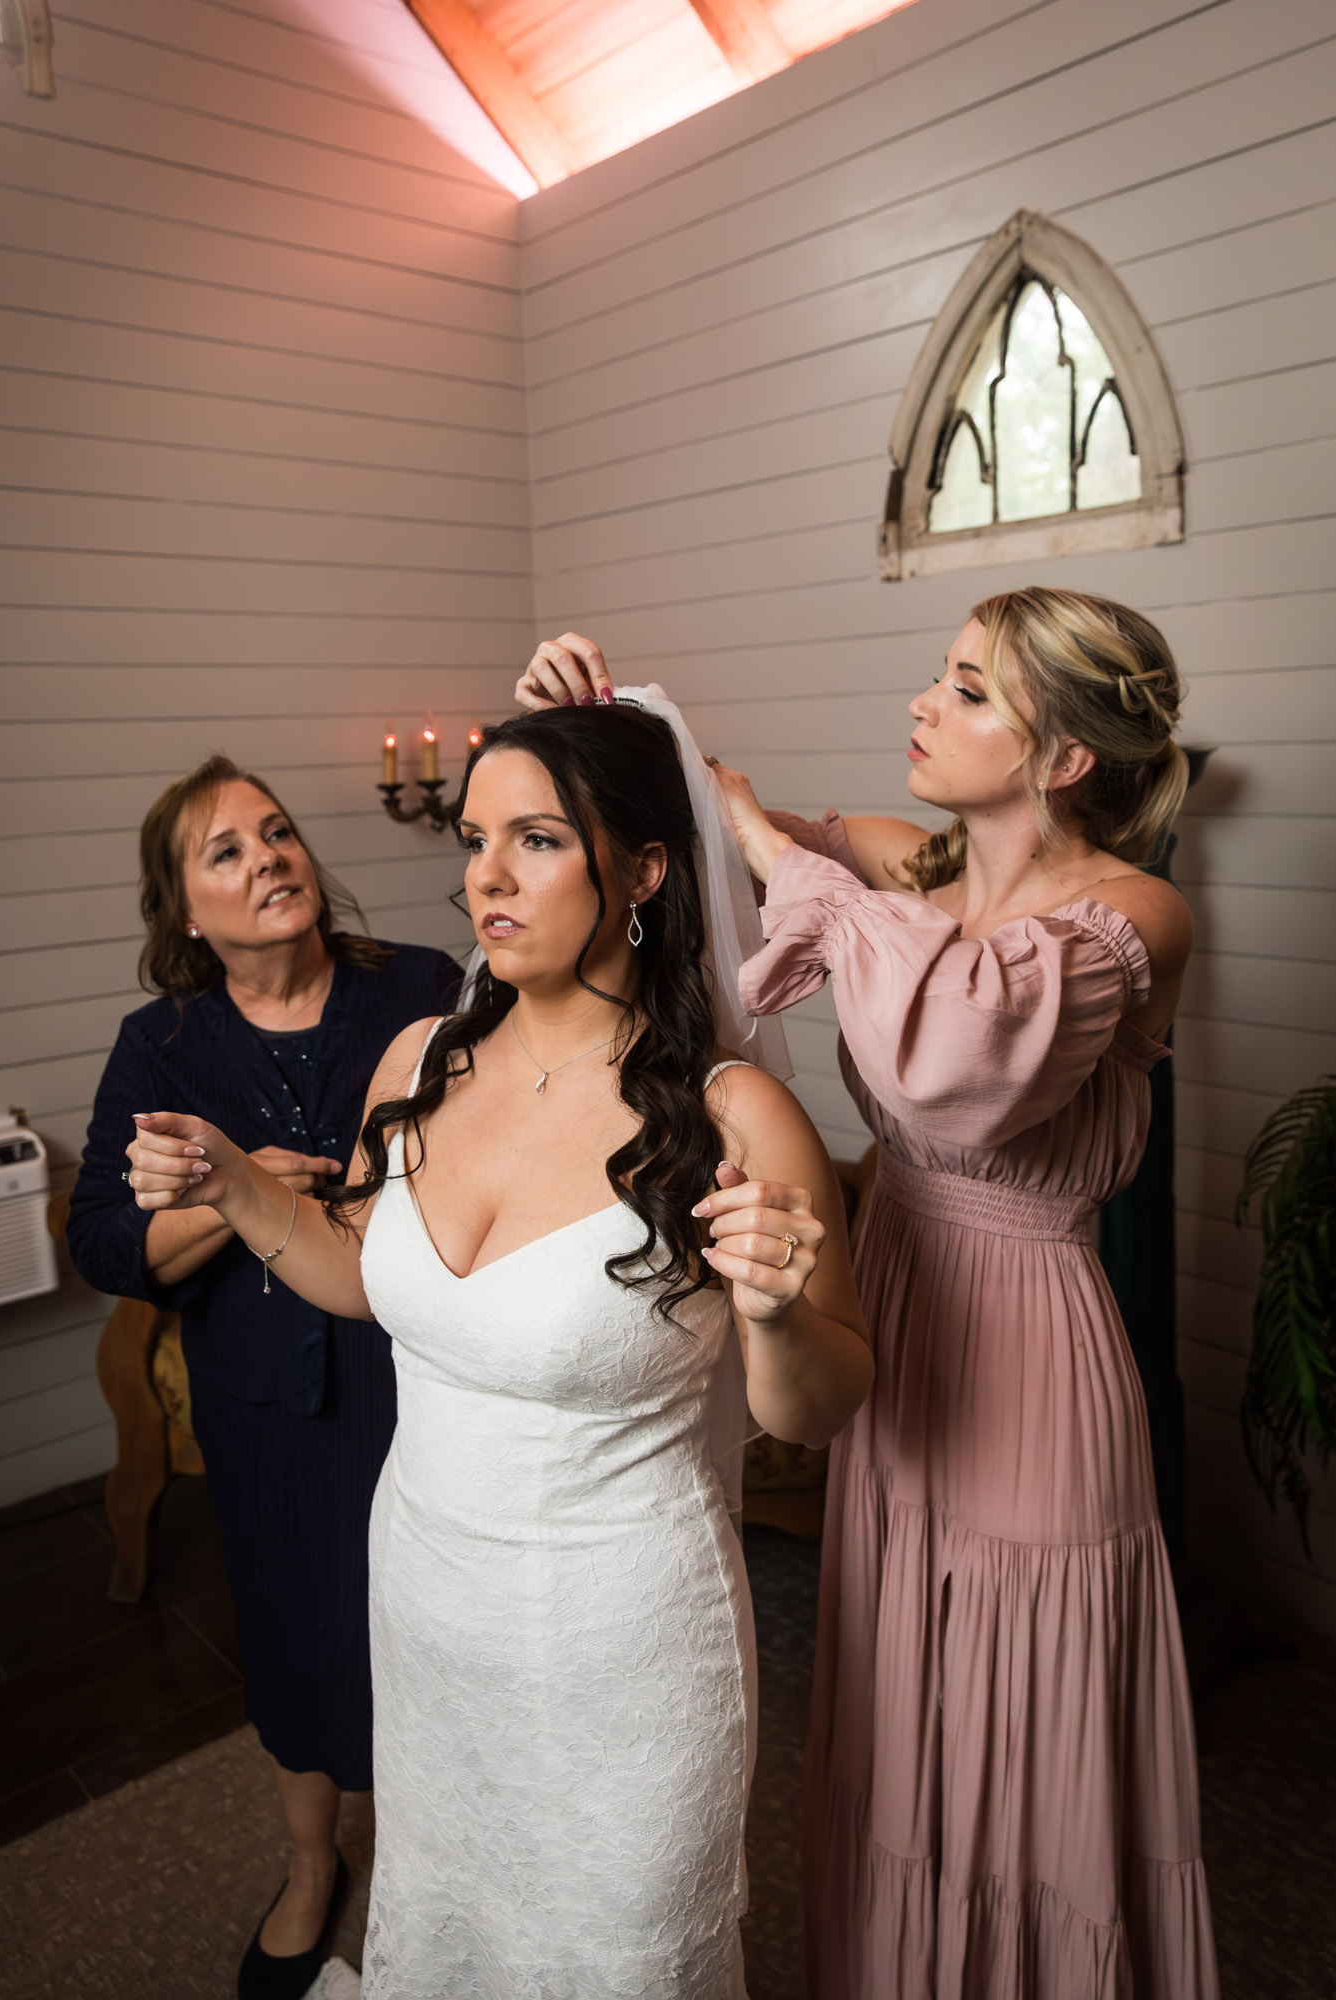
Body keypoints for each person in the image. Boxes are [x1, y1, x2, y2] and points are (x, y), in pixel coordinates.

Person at [515, 599, 1220, 1999]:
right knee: (906, 1698)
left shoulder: (1135, 914)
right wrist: (585, 714)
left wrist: (800, 867)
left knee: (1027, 1700)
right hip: (890, 1309)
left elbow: (954, 1054)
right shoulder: (909, 863)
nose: (924, 702)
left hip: (1031, 1355)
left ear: (1066, 756)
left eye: (967, 690)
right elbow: (699, 826)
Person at [120, 698, 874, 1999]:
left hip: (622, 1644)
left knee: (619, 1953)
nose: (485, 874)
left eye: (536, 838)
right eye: (476, 838)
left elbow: (814, 1411)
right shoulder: (417, 1062)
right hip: (426, 1595)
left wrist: (772, 1312)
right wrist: (236, 1183)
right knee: (452, 1913)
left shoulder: (734, 1114)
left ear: (642, 870)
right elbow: (364, 1277)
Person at [67, 756, 459, 2000]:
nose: (269, 858)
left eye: (278, 832)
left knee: (440, 1638)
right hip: (265, 1404)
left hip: (428, 1377)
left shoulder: (419, 985)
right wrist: (246, 1202)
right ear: (184, 911)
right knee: (295, 1639)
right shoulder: (162, 1044)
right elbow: (105, 1241)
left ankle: (443, 1868)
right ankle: (308, 1866)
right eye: (225, 851)